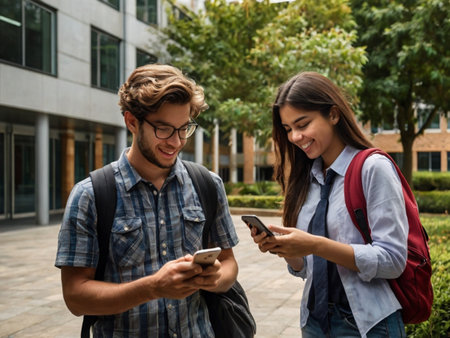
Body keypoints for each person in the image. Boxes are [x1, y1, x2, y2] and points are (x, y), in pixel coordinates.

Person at [55, 64, 239, 337]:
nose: (175, 142)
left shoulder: (207, 184)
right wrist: (153, 287)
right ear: (132, 122)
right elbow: (75, 297)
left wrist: (215, 278)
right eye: (163, 129)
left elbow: (229, 264)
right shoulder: (90, 195)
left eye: (184, 128)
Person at [251, 71, 408, 337]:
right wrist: (285, 248)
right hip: (314, 322)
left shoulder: (373, 168)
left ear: (333, 115)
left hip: (367, 325)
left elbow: (393, 260)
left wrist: (315, 244)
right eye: (288, 129)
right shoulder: (306, 177)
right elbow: (304, 269)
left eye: (303, 125)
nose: (295, 137)